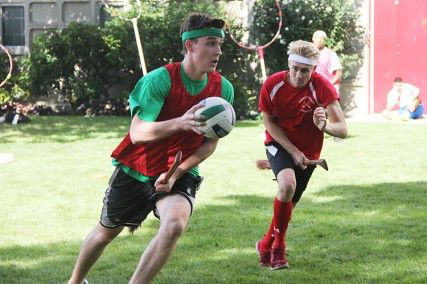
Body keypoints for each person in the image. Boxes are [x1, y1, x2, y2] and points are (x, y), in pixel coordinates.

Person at [68, 12, 234, 284]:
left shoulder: (222, 89)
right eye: (210, 43)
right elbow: (138, 133)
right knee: (106, 232)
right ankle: (75, 281)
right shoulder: (160, 81)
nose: (218, 51)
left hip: (178, 170)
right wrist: (181, 122)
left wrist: (178, 172)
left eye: (219, 44)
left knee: (175, 224)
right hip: (137, 169)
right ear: (190, 45)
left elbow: (209, 145)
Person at [256, 40, 347, 270]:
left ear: (313, 70)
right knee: (287, 186)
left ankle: (266, 243)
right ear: (289, 64)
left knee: (289, 205)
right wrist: (293, 151)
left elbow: (343, 130)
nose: (298, 75)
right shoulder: (273, 84)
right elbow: (268, 121)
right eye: (294, 68)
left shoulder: (322, 86)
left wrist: (324, 126)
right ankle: (279, 250)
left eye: (304, 71)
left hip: (310, 151)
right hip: (278, 143)